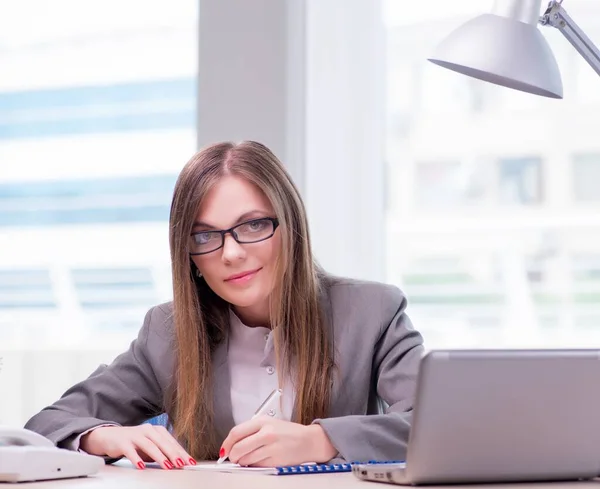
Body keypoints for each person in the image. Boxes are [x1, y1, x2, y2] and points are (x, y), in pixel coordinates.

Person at [25, 140, 425, 470]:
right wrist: (101, 436)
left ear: (290, 227)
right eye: (204, 237)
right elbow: (46, 425)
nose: (231, 253)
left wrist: (322, 440)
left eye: (252, 225)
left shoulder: (373, 311)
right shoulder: (167, 332)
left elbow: (434, 425)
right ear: (190, 257)